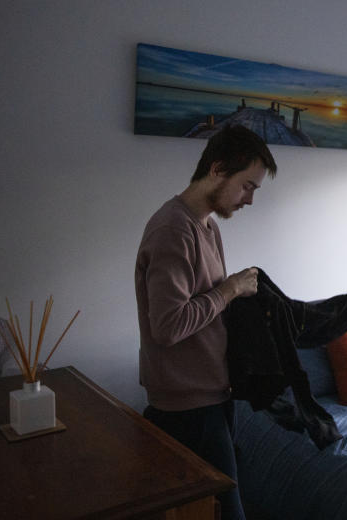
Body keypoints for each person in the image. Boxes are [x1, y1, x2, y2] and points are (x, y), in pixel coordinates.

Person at [135, 125, 277, 520]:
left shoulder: (208, 225)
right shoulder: (173, 230)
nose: (249, 200)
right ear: (217, 169)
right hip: (186, 408)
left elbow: (208, 308)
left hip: (212, 396)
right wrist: (230, 289)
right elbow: (167, 325)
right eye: (246, 186)